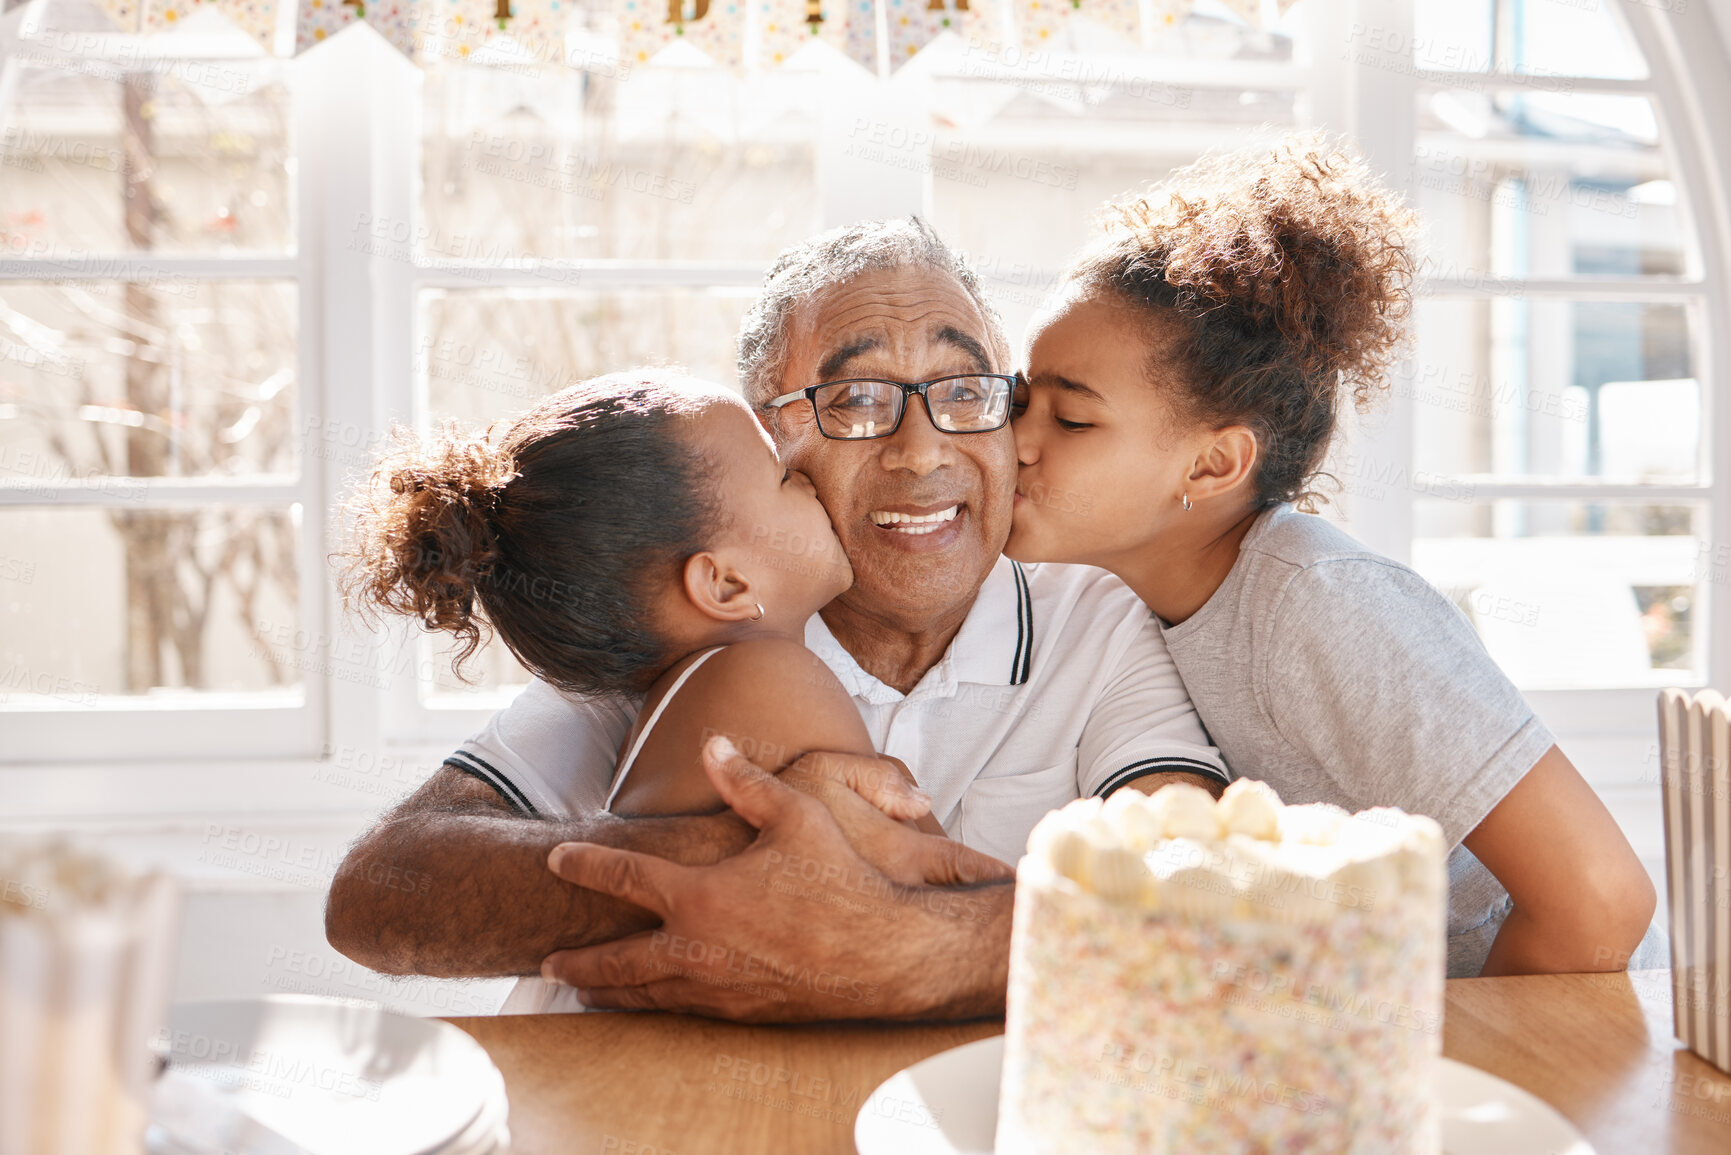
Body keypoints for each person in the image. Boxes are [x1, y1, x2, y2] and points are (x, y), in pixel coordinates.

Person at [325, 220, 1228, 1019]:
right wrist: (731, 864)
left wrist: (917, 947)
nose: (920, 455)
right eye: (856, 402)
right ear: (772, 439)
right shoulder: (679, 629)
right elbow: (382, 893)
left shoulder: (1096, 618)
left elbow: (1200, 902)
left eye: (962, 391)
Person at [1004, 134, 1659, 977]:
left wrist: (1439, 1081)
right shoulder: (1125, 596)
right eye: (1020, 399)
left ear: (1211, 464)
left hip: (1572, 1049)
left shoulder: (1319, 603)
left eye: (1070, 419)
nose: (1015, 440)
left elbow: (1601, 900)